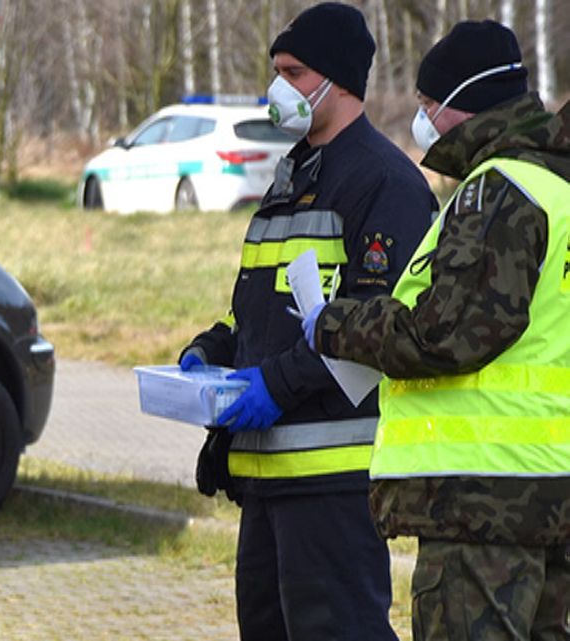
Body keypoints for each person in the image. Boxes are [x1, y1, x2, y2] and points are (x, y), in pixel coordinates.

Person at [177, 3, 437, 639]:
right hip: (265, 484)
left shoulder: (385, 184)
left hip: (332, 488)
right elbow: (261, 315)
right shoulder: (289, 180)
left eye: (292, 72)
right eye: (277, 72)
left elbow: (371, 327)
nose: (278, 88)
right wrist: (211, 353)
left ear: (338, 81)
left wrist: (275, 387)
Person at [304, 20, 570, 640]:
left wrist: (332, 322)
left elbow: (446, 333)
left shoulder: (499, 190)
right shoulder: (556, 185)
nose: (422, 120)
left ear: (463, 104)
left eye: (428, 105)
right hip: (547, 489)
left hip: (484, 501)